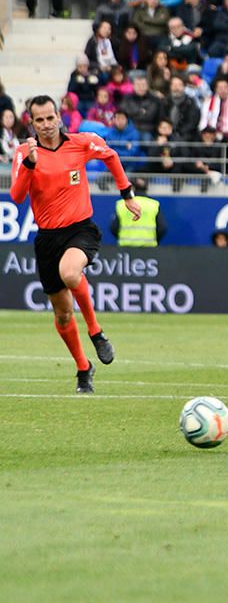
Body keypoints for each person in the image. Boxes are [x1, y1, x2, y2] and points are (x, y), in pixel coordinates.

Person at [10, 95, 142, 393]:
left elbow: (110, 156)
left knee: (71, 273)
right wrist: (30, 165)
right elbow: (17, 196)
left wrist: (127, 194)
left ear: (59, 116)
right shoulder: (24, 152)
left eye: (50, 117)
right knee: (63, 313)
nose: (46, 124)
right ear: (31, 123)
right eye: (39, 120)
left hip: (80, 229)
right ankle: (84, 367)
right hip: (47, 238)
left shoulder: (80, 143)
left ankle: (96, 331)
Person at [110, 179, 167, 246]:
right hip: (149, 247)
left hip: (125, 247)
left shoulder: (122, 204)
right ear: (147, 188)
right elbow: (162, 227)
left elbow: (114, 227)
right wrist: (155, 239)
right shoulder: (154, 204)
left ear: (132, 189)